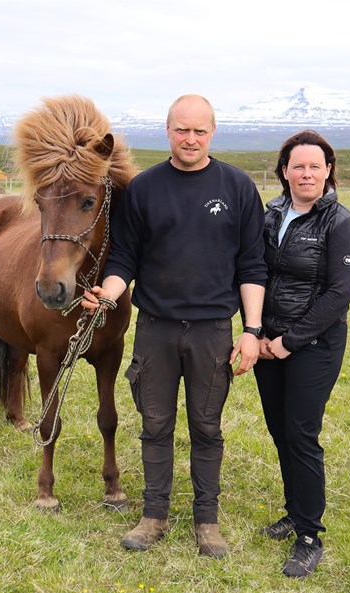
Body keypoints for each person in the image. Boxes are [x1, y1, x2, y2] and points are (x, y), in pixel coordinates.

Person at [83, 94, 266, 557]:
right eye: (182, 129)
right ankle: (154, 515)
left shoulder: (238, 188)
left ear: (212, 133)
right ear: (168, 131)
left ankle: (207, 522)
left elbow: (252, 266)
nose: (191, 138)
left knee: (207, 427)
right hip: (156, 328)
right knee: (155, 423)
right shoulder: (144, 189)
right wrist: (108, 294)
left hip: (211, 332)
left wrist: (251, 330)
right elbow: (124, 257)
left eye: (199, 130)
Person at [254, 129, 350, 578]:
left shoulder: (340, 223)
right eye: (297, 166)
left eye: (315, 166)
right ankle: (295, 510)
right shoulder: (272, 212)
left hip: (313, 345)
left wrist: (289, 341)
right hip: (267, 343)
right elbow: (255, 269)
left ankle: (308, 535)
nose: (306, 173)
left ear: (328, 171)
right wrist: (256, 332)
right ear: (284, 171)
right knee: (280, 431)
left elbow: (339, 295)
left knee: (301, 434)